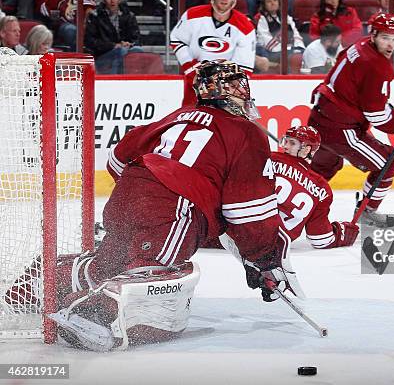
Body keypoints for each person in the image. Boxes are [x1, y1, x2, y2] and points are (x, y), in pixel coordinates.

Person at [47, 60, 292, 351]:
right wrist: (263, 259)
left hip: (127, 196)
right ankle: (95, 315)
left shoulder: (178, 115)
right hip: (173, 208)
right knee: (160, 275)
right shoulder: (247, 132)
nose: (243, 90)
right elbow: (249, 209)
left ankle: (42, 283)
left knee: (110, 264)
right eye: (235, 84)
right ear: (216, 91)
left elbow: (119, 157)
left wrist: (141, 192)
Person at [307, 13, 394, 228]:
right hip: (340, 128)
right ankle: (368, 210)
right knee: (388, 163)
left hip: (320, 117)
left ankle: (287, 205)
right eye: (385, 37)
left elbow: (371, 103)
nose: (390, 44)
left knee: (322, 169)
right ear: (373, 35)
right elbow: (375, 114)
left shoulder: (361, 46)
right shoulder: (376, 65)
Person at [170, 0, 255, 107]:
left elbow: (244, 67)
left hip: (225, 86)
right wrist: (190, 68)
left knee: (223, 124)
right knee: (190, 118)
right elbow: (176, 39)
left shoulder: (245, 27)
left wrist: (223, 85)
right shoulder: (192, 15)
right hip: (194, 78)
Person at [273, 126, 360, 249]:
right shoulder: (322, 188)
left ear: (306, 149)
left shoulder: (270, 158)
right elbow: (321, 239)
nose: (285, 146)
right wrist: (342, 232)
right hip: (276, 245)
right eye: (286, 141)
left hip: (243, 232)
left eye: (292, 143)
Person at [85, 0, 143, 74]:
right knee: (120, 51)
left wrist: (129, 44)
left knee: (138, 50)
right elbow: (91, 42)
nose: (112, 1)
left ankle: (134, 82)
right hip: (103, 56)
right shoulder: (95, 16)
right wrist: (113, 45)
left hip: (124, 50)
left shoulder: (128, 15)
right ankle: (116, 80)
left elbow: (137, 38)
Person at [255, 0, 304, 73]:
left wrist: (298, 47)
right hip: (271, 51)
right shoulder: (261, 18)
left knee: (301, 53)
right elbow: (266, 41)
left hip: (288, 49)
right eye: (269, 1)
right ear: (264, 4)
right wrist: (286, 49)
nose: (273, 3)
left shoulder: (285, 16)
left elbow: (296, 34)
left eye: (275, 0)